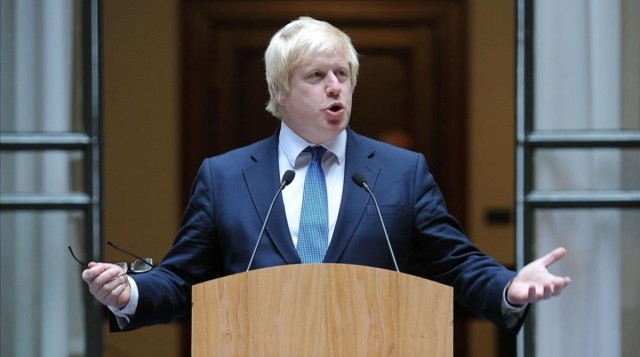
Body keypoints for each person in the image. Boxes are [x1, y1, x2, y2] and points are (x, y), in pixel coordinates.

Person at [82, 16, 570, 333]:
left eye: (343, 74)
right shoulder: (225, 176)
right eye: (316, 76)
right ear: (280, 92)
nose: (335, 87)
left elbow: (456, 264)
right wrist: (132, 293)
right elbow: (184, 278)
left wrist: (508, 286)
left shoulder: (401, 172)